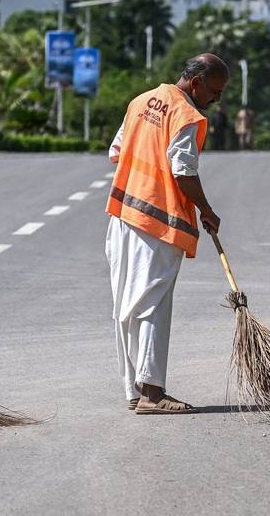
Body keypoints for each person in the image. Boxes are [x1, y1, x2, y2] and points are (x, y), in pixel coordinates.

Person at [105, 53, 228, 415]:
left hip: (122, 214)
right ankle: (153, 394)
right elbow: (183, 170)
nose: (216, 99)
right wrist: (206, 210)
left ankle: (134, 390)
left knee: (126, 306)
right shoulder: (186, 115)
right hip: (157, 223)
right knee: (154, 305)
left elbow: (116, 150)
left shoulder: (141, 101)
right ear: (196, 83)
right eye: (215, 91)